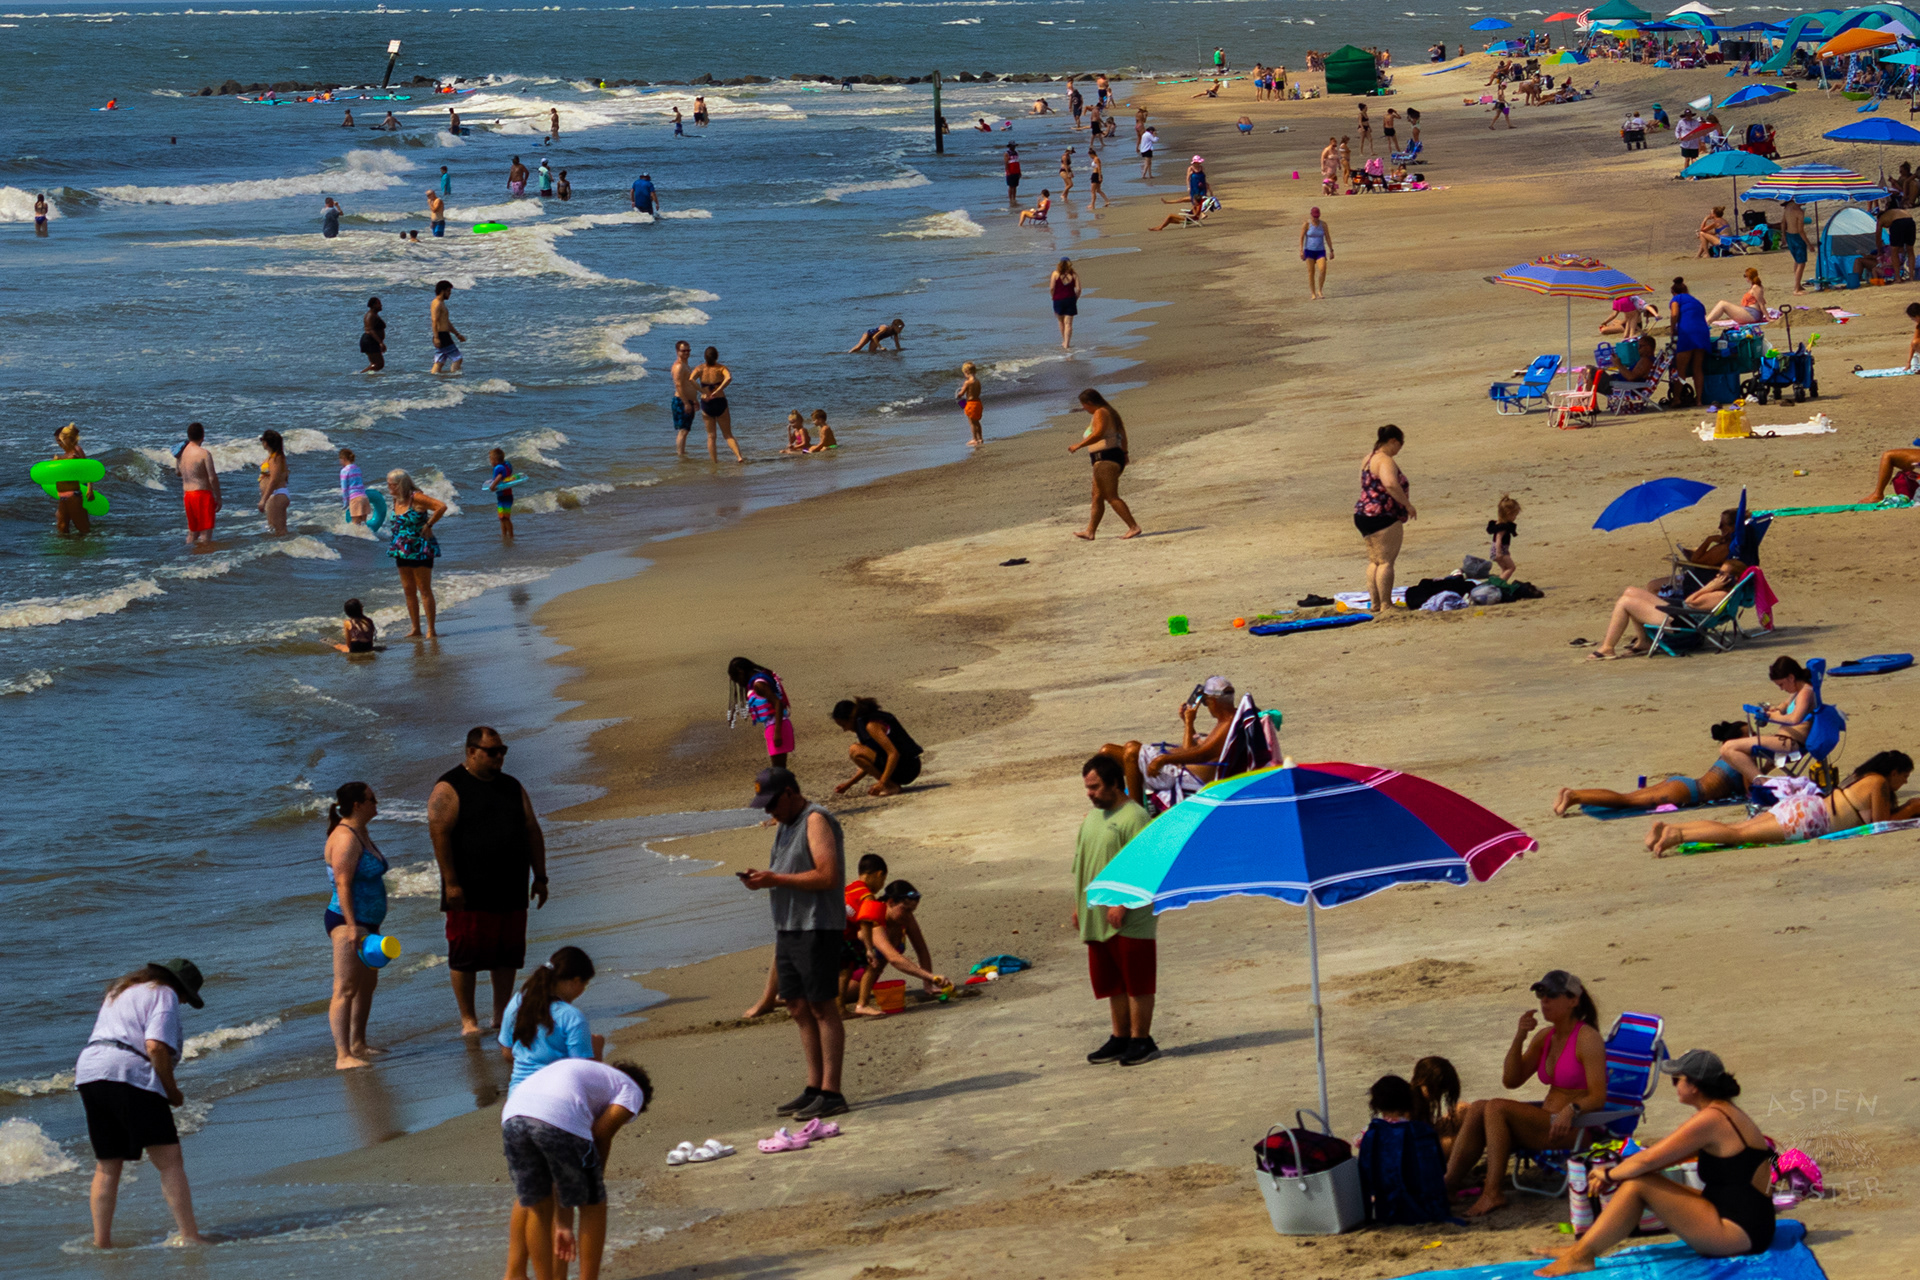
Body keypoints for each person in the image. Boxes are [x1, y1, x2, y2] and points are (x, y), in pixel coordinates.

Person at [1533, 1050, 1773, 1276]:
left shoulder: (1711, 1119)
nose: (1675, 1086)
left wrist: (1608, 1175)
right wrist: (1618, 1173)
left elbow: (1648, 1158)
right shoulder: (1723, 1112)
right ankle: (1584, 1248)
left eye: (1676, 1079)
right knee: (1639, 1180)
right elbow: (1660, 1158)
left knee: (1639, 1185)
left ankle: (1582, 1255)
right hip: (1746, 1220)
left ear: (1694, 1086)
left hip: (1739, 1232)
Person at [1444, 971, 1608, 1217]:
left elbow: (1598, 1097)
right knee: (1479, 1106)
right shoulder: (1546, 1037)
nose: (1544, 1001)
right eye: (1541, 995)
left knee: (1496, 1107)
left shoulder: (1587, 1039)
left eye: (1552, 995)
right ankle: (1448, 1186)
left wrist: (1571, 1109)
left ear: (1574, 1000)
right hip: (1545, 1123)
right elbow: (1511, 1080)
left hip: (1573, 1129)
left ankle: (1492, 1192)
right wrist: (1520, 1036)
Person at [74, 959, 210, 1248]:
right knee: (170, 1161)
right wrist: (171, 1090)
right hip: (128, 1072)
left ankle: (102, 1242)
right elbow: (155, 1046)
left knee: (107, 1165)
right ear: (180, 988)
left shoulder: (121, 990)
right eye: (185, 997)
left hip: (89, 1070)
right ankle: (191, 1236)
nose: (182, 1002)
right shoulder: (165, 993)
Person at [741, 767, 851, 1121]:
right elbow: (791, 872)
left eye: (773, 803)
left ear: (790, 793)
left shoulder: (815, 819)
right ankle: (813, 1087)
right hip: (789, 926)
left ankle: (832, 1092)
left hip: (817, 925)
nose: (769, 812)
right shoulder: (785, 824)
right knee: (797, 1007)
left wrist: (775, 879)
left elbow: (827, 874)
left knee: (822, 1007)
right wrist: (765, 880)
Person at [429, 726, 551, 1034]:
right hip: (469, 889)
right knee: (464, 954)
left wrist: (540, 875)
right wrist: (451, 882)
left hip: (511, 884)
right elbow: (439, 833)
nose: (499, 757)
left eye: (502, 751)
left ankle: (501, 1015)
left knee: (507, 953)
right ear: (471, 752)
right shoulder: (449, 787)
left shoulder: (511, 786)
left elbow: (532, 829)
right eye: (492, 752)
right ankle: (468, 1020)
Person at [500, 1057, 649, 1280]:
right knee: (593, 1204)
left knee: (538, 1207)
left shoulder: (590, 1074)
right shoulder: (632, 1090)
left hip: (513, 1115)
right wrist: (596, 1179)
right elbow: (601, 1133)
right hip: (557, 1117)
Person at [1648, 751, 1914, 855]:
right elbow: (1881, 824)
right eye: (1904, 777)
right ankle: (1677, 833)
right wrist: (1913, 807)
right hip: (1808, 820)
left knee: (1737, 827)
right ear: (1893, 772)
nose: (1903, 783)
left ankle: (1671, 828)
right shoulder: (1878, 783)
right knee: (1737, 834)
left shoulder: (1864, 777)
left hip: (1805, 808)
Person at [1072, 754, 1158, 1066]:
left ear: (1114, 784)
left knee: (1137, 981)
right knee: (1113, 982)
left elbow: (1148, 866)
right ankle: (1121, 1036)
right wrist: (1078, 906)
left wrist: (1123, 902)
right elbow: (1083, 864)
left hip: (1130, 915)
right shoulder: (1092, 818)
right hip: (1095, 914)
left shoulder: (1135, 817)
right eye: (1087, 788)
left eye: (1095, 787)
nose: (1090, 793)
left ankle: (1142, 1039)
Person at [323, 781, 389, 1068]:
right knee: (346, 987)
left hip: (369, 922)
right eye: (372, 799)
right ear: (358, 805)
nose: (377, 803)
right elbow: (342, 883)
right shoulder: (345, 838)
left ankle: (358, 1043)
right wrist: (351, 927)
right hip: (346, 921)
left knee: (367, 985)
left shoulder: (362, 831)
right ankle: (343, 1055)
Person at [1098, 675, 1239, 807]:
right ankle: (1116, 805)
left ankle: (1137, 815)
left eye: (1204, 702)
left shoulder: (1227, 724)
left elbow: (1201, 755)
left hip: (1186, 778)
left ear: (1212, 701)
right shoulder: (1228, 721)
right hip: (1182, 770)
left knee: (1132, 751)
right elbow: (1191, 749)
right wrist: (1188, 722)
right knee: (1107, 751)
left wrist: (1164, 759)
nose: (1206, 706)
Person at [1584, 559, 1743, 659]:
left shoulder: (1720, 595)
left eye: (1721, 574)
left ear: (1731, 578)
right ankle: (1644, 642)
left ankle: (1608, 648)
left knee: (1625, 603)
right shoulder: (1725, 593)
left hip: (1681, 622)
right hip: (1680, 612)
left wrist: (1709, 587)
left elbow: (1690, 602)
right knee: (1630, 591)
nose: (1717, 576)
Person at [500, 946, 603, 1091]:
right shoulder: (571, 1016)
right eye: (584, 985)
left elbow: (507, 1052)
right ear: (575, 981)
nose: (581, 991)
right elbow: (583, 1076)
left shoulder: (517, 1001)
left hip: (517, 1098)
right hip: (556, 1098)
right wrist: (597, 1049)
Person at [849, 881, 948, 1017]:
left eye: (912, 911)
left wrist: (928, 984)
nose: (909, 915)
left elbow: (921, 949)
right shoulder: (875, 920)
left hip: (869, 976)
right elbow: (894, 958)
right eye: (906, 910)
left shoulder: (905, 917)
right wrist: (932, 976)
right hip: (848, 973)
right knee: (837, 998)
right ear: (890, 902)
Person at [1714, 656, 1816, 783]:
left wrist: (1773, 717)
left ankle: (1763, 783)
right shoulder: (1798, 690)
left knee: (1728, 748)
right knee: (1727, 749)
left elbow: (1795, 719)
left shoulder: (1805, 692)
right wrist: (1775, 710)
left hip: (1791, 743)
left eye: (1781, 684)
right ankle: (1762, 780)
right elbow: (1785, 704)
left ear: (1791, 677)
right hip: (1784, 740)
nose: (1781, 688)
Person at [1066, 388, 1141, 540]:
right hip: (1112, 456)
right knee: (1097, 496)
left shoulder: (1100, 412)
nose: (1084, 408)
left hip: (1106, 458)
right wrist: (1125, 453)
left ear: (1089, 403)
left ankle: (1133, 527)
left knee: (1111, 496)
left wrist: (1078, 445)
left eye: (1084, 405)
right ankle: (1090, 531)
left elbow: (1098, 434)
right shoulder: (1110, 412)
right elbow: (1122, 434)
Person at [1355, 424, 1413, 612]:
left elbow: (1365, 485)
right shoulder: (1385, 460)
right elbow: (1390, 484)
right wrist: (1407, 505)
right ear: (1393, 441)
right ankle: (1386, 604)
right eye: (1399, 445)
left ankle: (1376, 603)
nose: (1398, 450)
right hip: (1383, 515)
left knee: (1375, 560)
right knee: (1386, 561)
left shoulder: (1368, 458)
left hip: (1363, 514)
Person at [383, 470, 445, 636]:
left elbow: (441, 507)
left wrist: (429, 525)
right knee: (408, 590)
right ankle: (415, 628)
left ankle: (431, 629)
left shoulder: (416, 497)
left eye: (392, 484)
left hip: (420, 548)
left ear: (401, 484)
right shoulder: (396, 498)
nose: (388, 487)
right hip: (401, 551)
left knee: (424, 589)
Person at [831, 697, 924, 796]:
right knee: (857, 751)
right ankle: (890, 784)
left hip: (908, 768)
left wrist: (881, 783)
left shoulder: (871, 725)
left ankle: (891, 786)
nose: (845, 729)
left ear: (851, 718)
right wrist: (848, 784)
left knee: (855, 750)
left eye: (844, 725)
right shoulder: (865, 722)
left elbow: (893, 754)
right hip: (906, 766)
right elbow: (868, 764)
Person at [727, 658, 793, 767]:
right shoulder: (761, 678)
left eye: (737, 680)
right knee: (780, 769)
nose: (739, 684)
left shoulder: (759, 685)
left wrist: (777, 733)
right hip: (777, 725)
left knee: (778, 769)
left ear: (741, 673)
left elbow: (778, 703)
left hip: (776, 726)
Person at [694, 346, 744, 462]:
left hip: (706, 404)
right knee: (727, 434)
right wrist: (718, 390)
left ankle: (714, 461)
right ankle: (739, 456)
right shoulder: (721, 368)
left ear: (705, 357)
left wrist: (702, 391)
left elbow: (691, 379)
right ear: (716, 356)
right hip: (720, 401)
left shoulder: (700, 368)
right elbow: (729, 378)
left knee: (711, 436)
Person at [177, 422, 219, 545]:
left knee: (192, 532)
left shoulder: (181, 454)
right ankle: (204, 561)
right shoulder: (204, 454)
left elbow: (178, 472)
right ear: (203, 436)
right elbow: (212, 478)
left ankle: (188, 558)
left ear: (189, 436)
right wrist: (218, 497)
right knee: (205, 533)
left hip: (188, 496)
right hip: (202, 494)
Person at [1669, 277, 1710, 405]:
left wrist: (1672, 330)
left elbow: (1674, 314)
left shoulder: (1676, 299)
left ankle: (1676, 399)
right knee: (1697, 368)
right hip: (1702, 332)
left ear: (1674, 292)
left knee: (1681, 369)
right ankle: (1699, 400)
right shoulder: (1696, 301)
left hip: (1687, 333)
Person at [1411, 1056, 1464, 1153]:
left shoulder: (1422, 1100)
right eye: (1435, 1090)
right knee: (1463, 1141)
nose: (1438, 1095)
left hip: (1423, 1141)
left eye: (1442, 1091)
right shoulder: (1409, 1104)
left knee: (1463, 1109)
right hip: (1416, 1150)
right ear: (1420, 1081)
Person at [257, 429, 290, 535]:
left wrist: (263, 499)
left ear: (266, 442)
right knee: (273, 529)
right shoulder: (273, 457)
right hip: (274, 495)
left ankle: (284, 550)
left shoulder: (276, 458)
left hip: (276, 494)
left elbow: (274, 480)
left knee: (278, 530)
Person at [669, 339, 698, 457]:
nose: (686, 353)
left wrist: (694, 400)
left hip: (688, 400)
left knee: (686, 429)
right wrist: (686, 403)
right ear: (677, 351)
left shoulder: (686, 365)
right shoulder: (678, 366)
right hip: (681, 401)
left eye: (688, 350)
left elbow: (689, 384)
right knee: (683, 430)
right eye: (683, 350)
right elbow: (678, 385)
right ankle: (680, 455)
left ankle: (682, 452)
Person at [430, 279, 465, 374]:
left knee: (440, 361)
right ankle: (454, 378)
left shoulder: (441, 303)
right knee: (458, 358)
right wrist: (436, 337)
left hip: (444, 334)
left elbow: (446, 322)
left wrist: (457, 334)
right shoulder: (437, 304)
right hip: (442, 335)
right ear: (443, 291)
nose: (450, 294)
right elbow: (434, 321)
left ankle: (434, 379)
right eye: (448, 291)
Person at [1880, 200, 1917, 283]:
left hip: (1898, 223)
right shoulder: (1897, 212)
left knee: (1894, 251)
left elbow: (1878, 236)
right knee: (1910, 249)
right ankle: (1911, 277)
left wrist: (1879, 250)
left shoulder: (1881, 219)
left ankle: (1898, 278)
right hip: (1910, 221)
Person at [1301, 207, 1332, 300]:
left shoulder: (1323, 225)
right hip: (1309, 250)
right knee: (1311, 272)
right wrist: (1301, 250)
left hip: (1320, 251)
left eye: (1317, 216)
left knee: (1323, 269)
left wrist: (1331, 250)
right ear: (1311, 215)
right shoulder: (1306, 224)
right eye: (1314, 216)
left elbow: (1327, 237)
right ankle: (1313, 293)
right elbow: (1301, 237)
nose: (1316, 218)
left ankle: (1320, 290)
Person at [484, 446, 516, 539]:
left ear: (495, 460)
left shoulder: (499, 468)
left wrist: (492, 486)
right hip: (507, 496)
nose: (490, 462)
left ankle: (510, 536)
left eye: (490, 459)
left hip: (504, 497)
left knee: (505, 518)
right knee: (502, 518)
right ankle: (504, 535)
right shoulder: (506, 465)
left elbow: (499, 477)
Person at [1050, 257, 1081, 349]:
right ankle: (1067, 344)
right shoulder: (1074, 275)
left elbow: (1052, 288)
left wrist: (1053, 296)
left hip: (1058, 300)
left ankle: (1064, 341)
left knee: (1061, 321)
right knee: (1068, 323)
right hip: (1070, 299)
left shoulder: (1055, 274)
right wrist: (1075, 298)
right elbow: (1078, 289)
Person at [1487, 493, 1519, 579]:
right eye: (1514, 515)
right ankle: (1500, 584)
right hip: (1499, 551)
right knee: (1511, 568)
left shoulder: (1499, 524)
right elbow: (1498, 539)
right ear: (1508, 514)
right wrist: (1499, 553)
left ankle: (1501, 583)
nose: (1515, 518)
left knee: (1505, 568)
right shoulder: (1502, 526)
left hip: (1501, 550)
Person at [958, 361, 984, 447]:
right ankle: (980, 438)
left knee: (972, 422)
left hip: (971, 403)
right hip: (978, 403)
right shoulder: (978, 381)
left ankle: (974, 439)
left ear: (966, 372)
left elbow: (961, 393)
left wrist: (958, 394)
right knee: (977, 422)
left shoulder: (967, 382)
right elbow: (979, 392)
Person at [358, 295, 387, 372]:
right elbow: (369, 330)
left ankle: (370, 378)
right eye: (379, 303)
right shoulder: (370, 315)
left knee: (377, 364)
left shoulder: (374, 315)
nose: (381, 305)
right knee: (378, 364)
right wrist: (380, 343)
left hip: (372, 341)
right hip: (369, 341)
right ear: (374, 305)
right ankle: (360, 375)